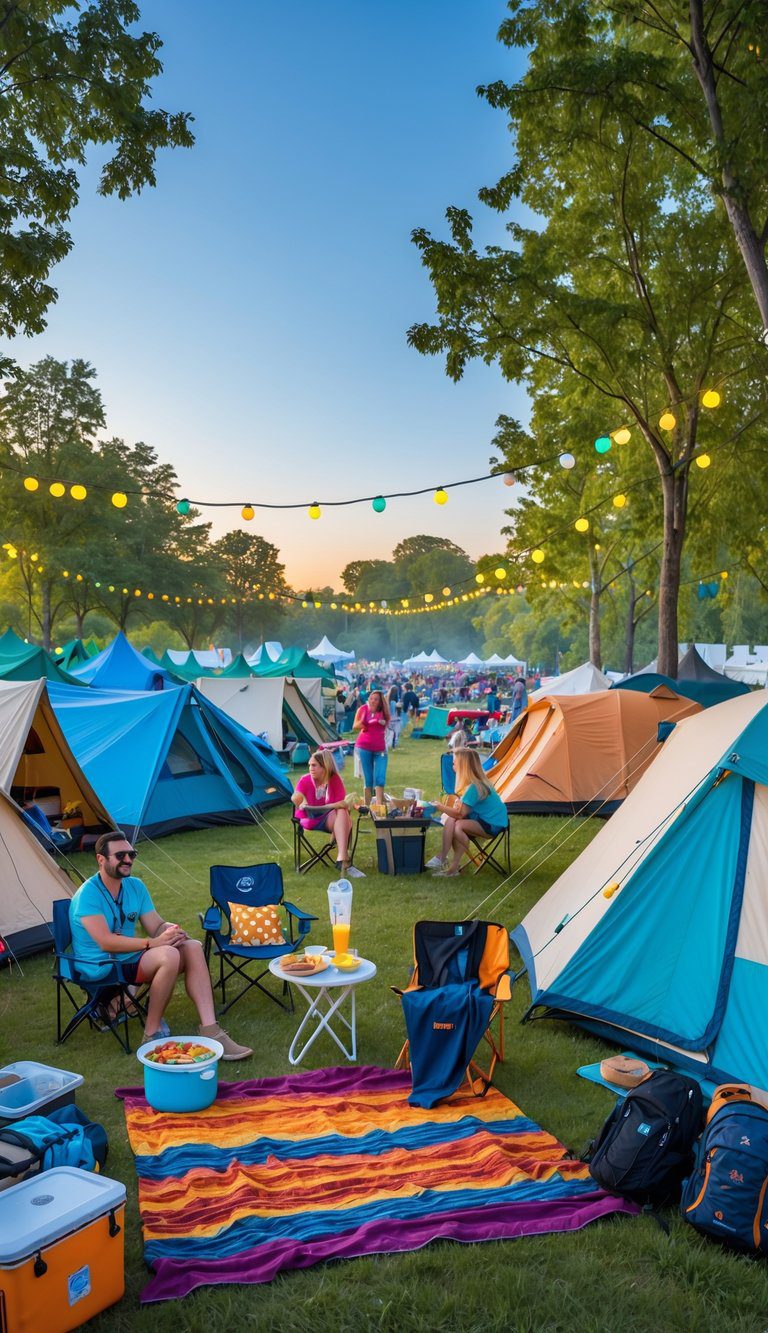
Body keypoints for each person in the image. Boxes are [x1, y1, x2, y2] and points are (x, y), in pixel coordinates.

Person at [68, 831, 252, 1058]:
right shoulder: (88, 894)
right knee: (169, 955)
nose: (128, 860)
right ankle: (151, 1033)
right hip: (101, 965)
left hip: (129, 958)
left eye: (132, 854)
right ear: (101, 859)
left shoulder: (134, 886)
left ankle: (210, 1030)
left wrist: (169, 930)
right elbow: (106, 942)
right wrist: (154, 943)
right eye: (120, 855)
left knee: (192, 947)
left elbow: (155, 924)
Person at [427, 749, 508, 876]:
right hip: (491, 819)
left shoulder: (474, 787)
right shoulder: (476, 782)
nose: (452, 765)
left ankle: (445, 861)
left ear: (463, 766)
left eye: (454, 763)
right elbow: (461, 811)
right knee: (452, 821)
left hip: (493, 824)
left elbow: (460, 814)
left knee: (457, 824)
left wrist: (439, 806)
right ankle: (446, 862)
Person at [291, 749, 359, 876]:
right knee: (345, 817)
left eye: (314, 765)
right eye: (309, 765)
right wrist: (302, 800)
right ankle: (344, 860)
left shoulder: (334, 779)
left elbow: (342, 804)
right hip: (310, 819)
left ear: (324, 767)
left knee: (342, 812)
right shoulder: (305, 779)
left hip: (330, 818)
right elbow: (295, 797)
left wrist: (327, 807)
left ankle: (341, 857)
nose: (310, 768)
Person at [353, 687, 389, 806]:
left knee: (380, 777)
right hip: (364, 746)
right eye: (371, 698)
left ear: (380, 702)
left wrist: (381, 721)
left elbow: (386, 722)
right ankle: (367, 807)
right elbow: (355, 725)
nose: (373, 701)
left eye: (376, 699)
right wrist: (367, 723)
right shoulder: (363, 709)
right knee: (368, 778)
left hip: (380, 749)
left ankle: (379, 804)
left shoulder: (384, 712)